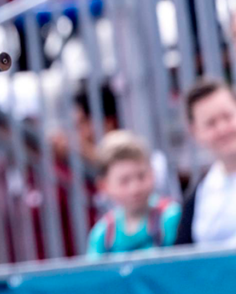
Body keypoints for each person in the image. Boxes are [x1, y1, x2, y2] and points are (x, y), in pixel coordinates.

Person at [86, 130, 180, 257]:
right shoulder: (103, 234)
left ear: (152, 173)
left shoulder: (170, 216)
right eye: (124, 181)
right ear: (104, 186)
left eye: (141, 176)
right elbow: (96, 275)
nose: (135, 188)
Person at [176, 78, 236, 246]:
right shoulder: (197, 197)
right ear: (194, 132)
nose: (223, 129)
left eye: (227, 117)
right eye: (211, 123)